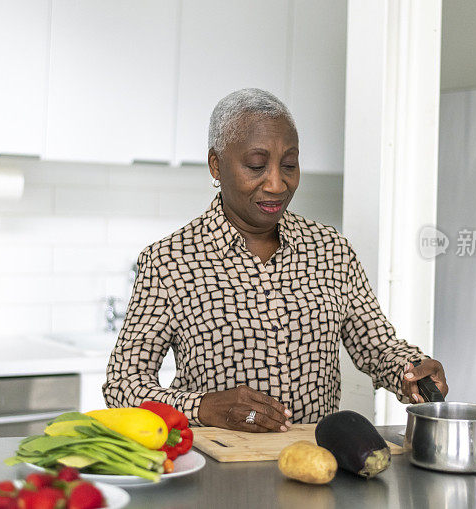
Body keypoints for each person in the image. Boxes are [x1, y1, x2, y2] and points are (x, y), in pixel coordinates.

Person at [103, 88, 448, 432]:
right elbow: (122, 385)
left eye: (289, 165)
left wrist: (412, 370)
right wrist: (203, 407)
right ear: (216, 165)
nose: (276, 183)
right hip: (219, 470)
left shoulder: (332, 250)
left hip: (316, 465)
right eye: (256, 165)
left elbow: (378, 347)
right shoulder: (169, 262)